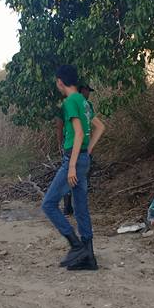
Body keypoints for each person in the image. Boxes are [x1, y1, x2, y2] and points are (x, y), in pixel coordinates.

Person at [41, 65, 104, 271]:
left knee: (48, 204)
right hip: (83, 158)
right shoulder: (84, 102)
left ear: (60, 81)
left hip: (74, 160)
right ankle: (89, 257)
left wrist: (71, 167)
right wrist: (88, 151)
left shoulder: (70, 102)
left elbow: (77, 134)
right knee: (80, 207)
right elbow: (100, 127)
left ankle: (76, 246)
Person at [55, 83, 99, 216]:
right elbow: (60, 125)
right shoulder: (69, 104)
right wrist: (60, 143)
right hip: (73, 146)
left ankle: (76, 208)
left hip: (81, 148)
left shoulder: (86, 105)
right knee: (73, 177)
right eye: (87, 91)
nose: (89, 94)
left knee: (79, 178)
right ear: (81, 90)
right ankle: (69, 207)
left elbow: (92, 127)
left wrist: (89, 146)